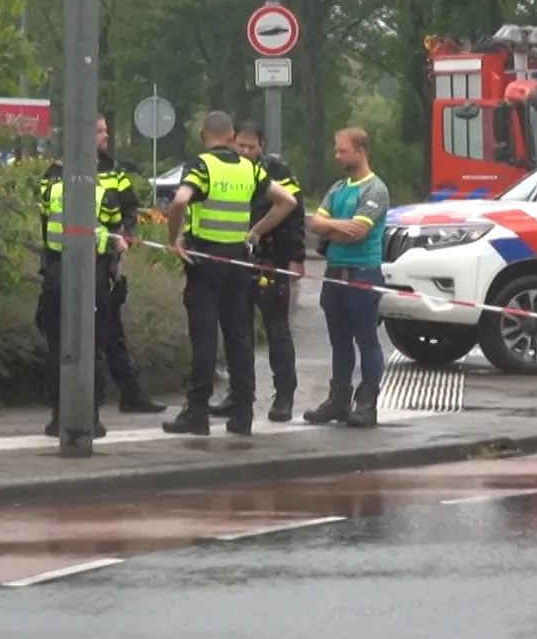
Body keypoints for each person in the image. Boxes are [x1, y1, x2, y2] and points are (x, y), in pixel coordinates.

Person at [163, 111, 299, 436]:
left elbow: (180, 200)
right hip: (238, 262)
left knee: (206, 336)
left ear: (204, 136)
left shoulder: (200, 165)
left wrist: (172, 240)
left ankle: (197, 412)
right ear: (230, 136)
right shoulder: (249, 168)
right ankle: (242, 414)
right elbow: (288, 201)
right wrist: (254, 233)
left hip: (205, 260)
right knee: (239, 336)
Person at [39, 118, 168, 416]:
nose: (106, 136)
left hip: (102, 265)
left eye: (107, 130)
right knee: (74, 336)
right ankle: (75, 409)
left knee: (109, 333)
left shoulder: (114, 172)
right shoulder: (55, 174)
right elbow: (47, 221)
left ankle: (129, 394)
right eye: (98, 131)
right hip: (63, 265)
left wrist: (126, 239)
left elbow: (128, 213)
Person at [208, 121, 305, 422]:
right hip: (238, 259)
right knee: (239, 331)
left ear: (262, 145)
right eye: (241, 146)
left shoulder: (277, 171)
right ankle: (239, 395)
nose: (246, 151)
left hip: (271, 258)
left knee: (277, 330)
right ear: (233, 142)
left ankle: (284, 396)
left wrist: (297, 258)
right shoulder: (230, 169)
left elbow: (296, 214)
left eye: (252, 146)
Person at [305, 127, 391, 428]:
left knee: (366, 340)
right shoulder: (339, 187)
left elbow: (359, 232)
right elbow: (314, 223)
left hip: (362, 274)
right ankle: (339, 400)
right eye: (337, 149)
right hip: (334, 274)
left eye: (342, 150)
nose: (337, 155)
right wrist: (334, 225)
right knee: (339, 341)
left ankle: (367, 403)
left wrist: (330, 226)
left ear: (360, 151)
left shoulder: (375, 189)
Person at [36, 141, 120, 438]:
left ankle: (58, 417)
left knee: (58, 346)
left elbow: (45, 224)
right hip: (91, 274)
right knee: (92, 346)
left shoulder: (51, 191)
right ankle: (91, 417)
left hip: (57, 271)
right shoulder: (105, 196)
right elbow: (113, 234)